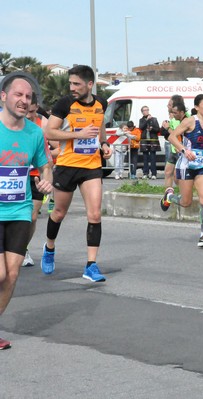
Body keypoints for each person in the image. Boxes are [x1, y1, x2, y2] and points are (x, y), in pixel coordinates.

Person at [41, 64, 113, 282]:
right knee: (59, 213)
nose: (72, 87)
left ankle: (91, 265)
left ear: (89, 84)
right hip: (67, 165)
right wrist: (77, 134)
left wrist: (104, 143)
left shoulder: (101, 103)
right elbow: (49, 131)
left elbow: (99, 128)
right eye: (70, 83)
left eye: (76, 84)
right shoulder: (65, 103)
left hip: (91, 166)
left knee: (95, 215)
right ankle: (50, 247)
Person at [1, 75, 53, 349]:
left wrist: (46, 180)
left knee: (12, 274)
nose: (23, 100)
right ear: (3, 96)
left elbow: (45, 165)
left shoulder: (34, 132)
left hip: (20, 211)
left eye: (28, 97)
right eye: (18, 95)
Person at [161, 94, 203, 248]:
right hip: (185, 166)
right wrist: (183, 150)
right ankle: (169, 196)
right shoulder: (190, 121)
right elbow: (172, 137)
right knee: (186, 202)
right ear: (196, 107)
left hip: (201, 167)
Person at [22, 92, 59, 268]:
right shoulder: (13, 123)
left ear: (36, 108)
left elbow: (60, 150)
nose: (28, 116)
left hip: (36, 175)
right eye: (26, 112)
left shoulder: (43, 124)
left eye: (31, 112)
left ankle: (23, 249)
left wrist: (40, 156)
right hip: (16, 174)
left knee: (32, 216)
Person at [161, 95, 188, 190]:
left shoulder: (182, 118)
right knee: (168, 172)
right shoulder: (173, 118)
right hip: (173, 150)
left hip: (180, 150)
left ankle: (186, 195)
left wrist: (167, 128)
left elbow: (177, 135)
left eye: (169, 104)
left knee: (177, 178)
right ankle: (167, 195)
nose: (167, 106)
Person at [139, 105, 160, 179]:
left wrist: (152, 129)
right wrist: (147, 120)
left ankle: (154, 174)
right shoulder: (141, 120)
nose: (146, 111)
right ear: (142, 112)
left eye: (147, 110)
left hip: (152, 140)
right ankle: (145, 173)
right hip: (145, 140)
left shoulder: (154, 119)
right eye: (144, 110)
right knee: (145, 157)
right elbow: (141, 127)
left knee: (153, 157)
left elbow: (158, 129)